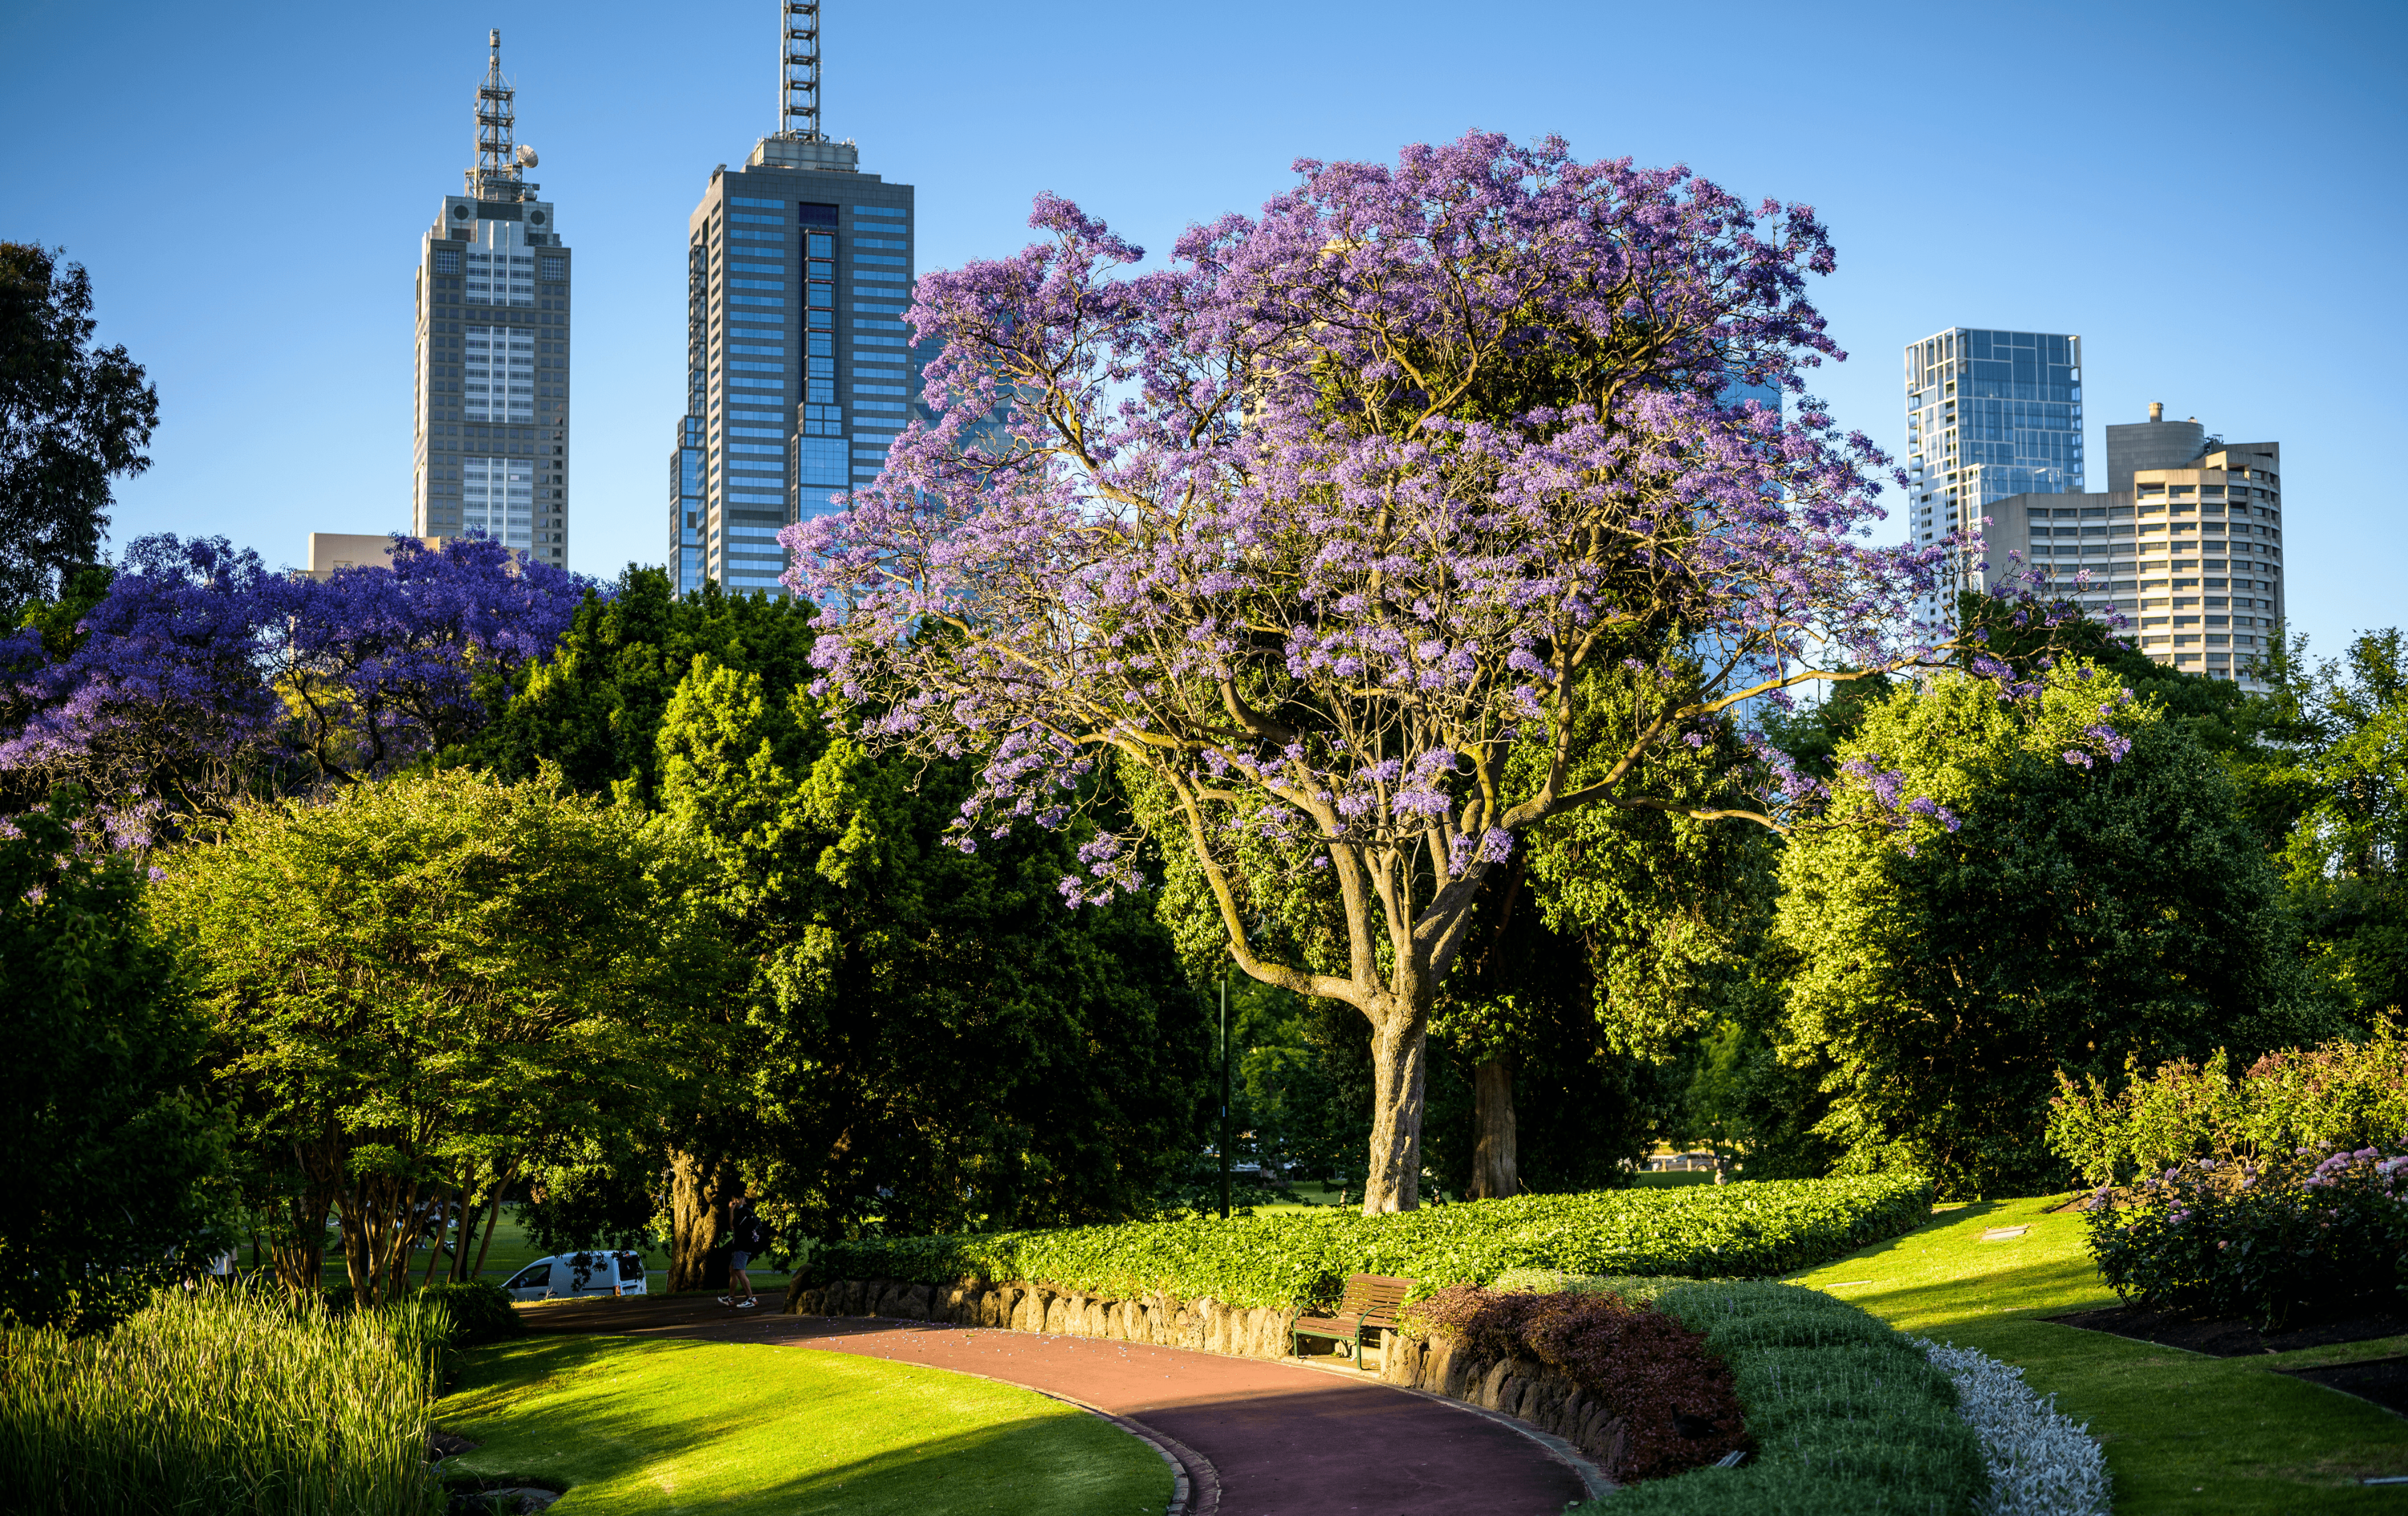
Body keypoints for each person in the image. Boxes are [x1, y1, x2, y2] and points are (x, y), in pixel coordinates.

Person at [718, 1193, 769, 1309]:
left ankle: (751, 1298)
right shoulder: (744, 1212)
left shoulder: (745, 1212)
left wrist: (731, 1210)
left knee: (739, 1271)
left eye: (738, 1199)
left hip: (743, 1247)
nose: (735, 1201)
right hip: (740, 1247)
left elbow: (732, 1226)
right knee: (732, 1270)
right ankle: (730, 1298)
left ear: (743, 1200)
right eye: (733, 1199)